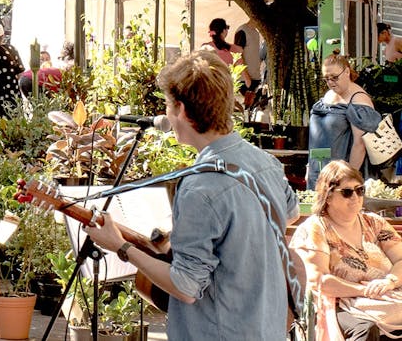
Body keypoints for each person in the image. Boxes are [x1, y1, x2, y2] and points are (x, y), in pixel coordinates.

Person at [83, 50, 299, 340]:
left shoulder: (200, 188)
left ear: (182, 110)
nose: (166, 115)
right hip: (266, 329)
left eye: (167, 106)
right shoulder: (265, 163)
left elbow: (186, 287)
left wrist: (121, 246)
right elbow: (290, 214)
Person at [290, 160, 402, 340]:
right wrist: (365, 290)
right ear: (328, 196)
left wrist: (389, 281)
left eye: (360, 190)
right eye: (347, 192)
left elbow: (401, 259)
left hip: (384, 297)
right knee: (366, 328)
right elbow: (320, 282)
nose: (355, 197)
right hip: (336, 304)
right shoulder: (316, 228)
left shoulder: (375, 222)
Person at [308, 53, 382, 189]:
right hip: (319, 169)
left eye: (334, 77)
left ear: (347, 72)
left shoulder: (359, 99)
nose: (330, 82)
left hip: (341, 176)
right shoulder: (329, 94)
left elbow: (360, 145)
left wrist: (348, 180)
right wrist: (310, 167)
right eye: (326, 79)